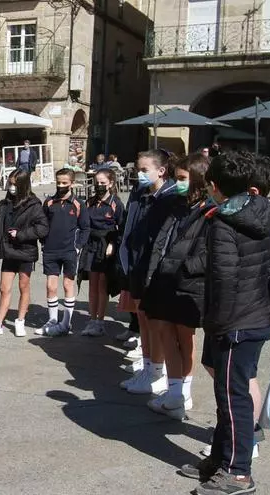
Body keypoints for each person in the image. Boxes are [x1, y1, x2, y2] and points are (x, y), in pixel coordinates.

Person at [181, 151, 270, 495]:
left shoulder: (224, 222)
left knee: (233, 398)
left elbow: (223, 279)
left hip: (235, 321)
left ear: (216, 186)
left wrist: (218, 324)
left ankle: (237, 473)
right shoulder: (261, 211)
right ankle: (220, 459)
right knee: (229, 393)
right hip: (256, 316)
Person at [139, 153, 211, 419]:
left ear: (198, 179)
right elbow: (163, 240)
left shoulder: (209, 210)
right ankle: (174, 391)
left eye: (183, 178)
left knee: (184, 336)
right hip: (164, 279)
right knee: (164, 331)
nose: (178, 183)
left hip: (187, 283)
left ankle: (183, 392)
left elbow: (208, 252)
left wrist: (185, 267)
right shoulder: (178, 204)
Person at [118, 150, 177, 396]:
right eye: (138, 169)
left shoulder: (169, 197)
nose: (139, 174)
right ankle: (148, 367)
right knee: (142, 320)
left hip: (153, 269)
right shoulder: (141, 194)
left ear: (161, 171)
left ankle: (156, 371)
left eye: (144, 170)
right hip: (137, 265)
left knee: (154, 324)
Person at [0, 168, 49, 336]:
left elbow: (42, 228)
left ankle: (20, 321)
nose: (11, 187)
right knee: (3, 287)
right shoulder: (5, 203)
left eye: (15, 184)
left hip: (25, 250)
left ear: (23, 185)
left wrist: (21, 234)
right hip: (8, 250)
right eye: (10, 183)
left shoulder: (34, 205)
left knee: (23, 286)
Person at [37, 168, 90, 336]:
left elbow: (85, 228)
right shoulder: (49, 202)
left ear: (72, 183)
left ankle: (66, 323)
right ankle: (52, 320)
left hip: (69, 251)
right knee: (51, 286)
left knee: (68, 285)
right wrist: (43, 241)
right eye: (58, 182)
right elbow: (43, 224)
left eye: (64, 183)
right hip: (50, 250)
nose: (60, 185)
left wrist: (78, 246)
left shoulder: (78, 204)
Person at [78, 169, 125, 337]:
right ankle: (92, 319)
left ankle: (100, 321)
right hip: (91, 245)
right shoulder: (90, 202)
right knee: (92, 283)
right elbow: (83, 225)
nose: (99, 185)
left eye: (103, 183)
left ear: (110, 184)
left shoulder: (115, 204)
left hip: (106, 247)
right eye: (96, 182)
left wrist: (113, 244)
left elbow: (121, 228)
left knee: (102, 285)